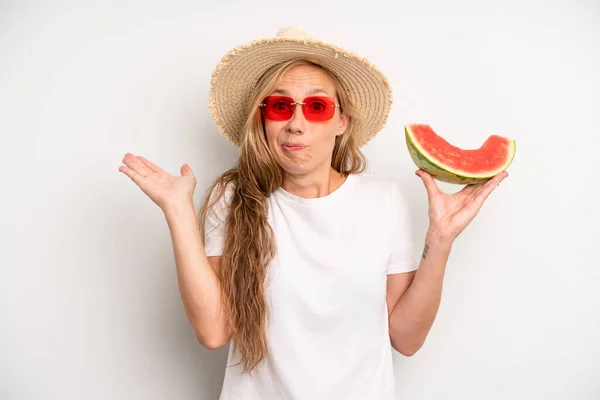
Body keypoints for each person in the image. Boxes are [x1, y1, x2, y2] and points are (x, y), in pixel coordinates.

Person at [118, 27, 507, 400]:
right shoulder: (233, 197)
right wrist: (177, 211)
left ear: (341, 122)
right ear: (263, 118)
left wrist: (440, 240)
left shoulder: (384, 200)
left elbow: (406, 339)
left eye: (317, 106)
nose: (296, 124)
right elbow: (214, 331)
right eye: (280, 105)